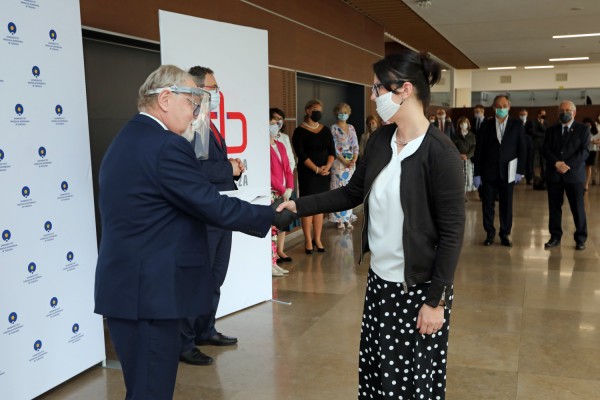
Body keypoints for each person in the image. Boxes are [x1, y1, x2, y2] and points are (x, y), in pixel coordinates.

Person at [94, 65, 294, 399]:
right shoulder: (164, 145)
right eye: (192, 102)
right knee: (150, 391)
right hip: (151, 297)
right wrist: (270, 216)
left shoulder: (129, 137)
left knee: (143, 389)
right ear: (166, 99)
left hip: (131, 291)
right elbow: (210, 204)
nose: (196, 113)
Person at [278, 50, 465, 400]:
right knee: (378, 379)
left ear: (405, 90)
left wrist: (436, 302)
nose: (372, 96)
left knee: (413, 384)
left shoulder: (441, 154)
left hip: (420, 290)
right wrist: (297, 205)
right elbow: (350, 193)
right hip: (381, 284)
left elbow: (453, 235)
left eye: (378, 88)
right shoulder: (381, 141)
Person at [179, 66, 242, 367]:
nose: (218, 93)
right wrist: (228, 169)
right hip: (204, 215)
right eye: (213, 87)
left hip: (220, 212)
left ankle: (206, 329)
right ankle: (185, 341)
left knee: (215, 276)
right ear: (198, 90)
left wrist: (230, 167)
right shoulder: (192, 125)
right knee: (199, 279)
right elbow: (195, 172)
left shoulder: (206, 123)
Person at [473, 94, 526, 247]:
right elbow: (479, 151)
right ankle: (489, 233)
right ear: (494, 108)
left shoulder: (517, 125)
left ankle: (505, 234)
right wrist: (477, 173)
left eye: (505, 106)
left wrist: (520, 170)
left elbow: (522, 149)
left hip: (509, 172)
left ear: (509, 107)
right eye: (499, 106)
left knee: (506, 204)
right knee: (488, 205)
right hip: (488, 171)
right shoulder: (486, 125)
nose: (502, 109)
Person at [543, 101, 590, 251]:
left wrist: (567, 165)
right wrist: (557, 163)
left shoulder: (583, 130)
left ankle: (581, 238)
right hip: (554, 175)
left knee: (577, 208)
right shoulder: (551, 130)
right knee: (554, 208)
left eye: (568, 110)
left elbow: (584, 152)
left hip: (574, 176)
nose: (565, 113)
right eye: (562, 110)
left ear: (574, 113)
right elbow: (545, 149)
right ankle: (555, 237)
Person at [291, 99, 335, 254]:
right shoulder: (299, 131)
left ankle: (318, 238)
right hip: (308, 174)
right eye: (315, 109)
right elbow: (301, 154)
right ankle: (308, 240)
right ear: (307, 111)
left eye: (320, 109)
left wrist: (327, 167)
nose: (318, 112)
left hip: (324, 173)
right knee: (308, 207)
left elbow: (332, 152)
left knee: (320, 207)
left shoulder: (326, 130)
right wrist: (316, 169)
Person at [269, 107, 297, 264]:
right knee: (271, 230)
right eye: (272, 122)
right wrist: (281, 189)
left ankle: (274, 259)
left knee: (278, 227)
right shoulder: (263, 145)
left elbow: (288, 167)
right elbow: (268, 172)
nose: (275, 125)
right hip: (273, 192)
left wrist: (290, 188)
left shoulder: (280, 144)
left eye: (277, 123)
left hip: (284, 191)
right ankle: (271, 262)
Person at [330, 102, 359, 229]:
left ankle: (347, 217)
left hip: (351, 162)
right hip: (339, 162)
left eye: (345, 113)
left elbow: (355, 145)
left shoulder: (351, 127)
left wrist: (354, 158)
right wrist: (344, 161)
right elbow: (334, 147)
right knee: (338, 188)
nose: (343, 115)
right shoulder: (334, 128)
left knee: (350, 189)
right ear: (337, 113)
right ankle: (339, 220)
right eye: (341, 112)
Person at [452, 116, 477, 197]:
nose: (463, 125)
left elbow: (474, 147)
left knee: (467, 176)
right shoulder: (455, 135)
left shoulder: (472, 135)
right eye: (462, 123)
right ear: (459, 125)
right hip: (458, 159)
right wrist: (458, 155)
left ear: (468, 124)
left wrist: (467, 155)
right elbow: (452, 146)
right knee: (459, 177)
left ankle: (465, 194)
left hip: (468, 159)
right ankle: (461, 195)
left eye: (465, 123)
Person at [532, 109, 549, 188]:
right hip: (535, 144)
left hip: (544, 144)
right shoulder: (533, 122)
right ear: (538, 114)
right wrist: (542, 134)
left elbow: (547, 132)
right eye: (542, 114)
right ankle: (534, 177)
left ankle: (544, 177)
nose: (543, 116)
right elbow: (533, 132)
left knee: (543, 162)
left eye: (544, 115)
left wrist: (541, 125)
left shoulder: (546, 123)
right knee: (534, 161)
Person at [583, 117, 600, 191]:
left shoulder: (596, 131)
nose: (588, 125)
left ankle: (586, 183)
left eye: (589, 123)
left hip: (592, 150)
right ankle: (582, 182)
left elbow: (598, 141)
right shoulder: (582, 130)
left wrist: (594, 141)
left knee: (588, 167)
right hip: (584, 150)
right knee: (582, 167)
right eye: (586, 123)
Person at [519, 109, 534, 184]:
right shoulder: (517, 123)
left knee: (529, 162)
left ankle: (529, 178)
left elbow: (532, 133)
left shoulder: (530, 123)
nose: (522, 116)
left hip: (528, 145)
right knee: (519, 162)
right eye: (521, 114)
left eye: (524, 114)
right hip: (519, 146)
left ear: (527, 115)